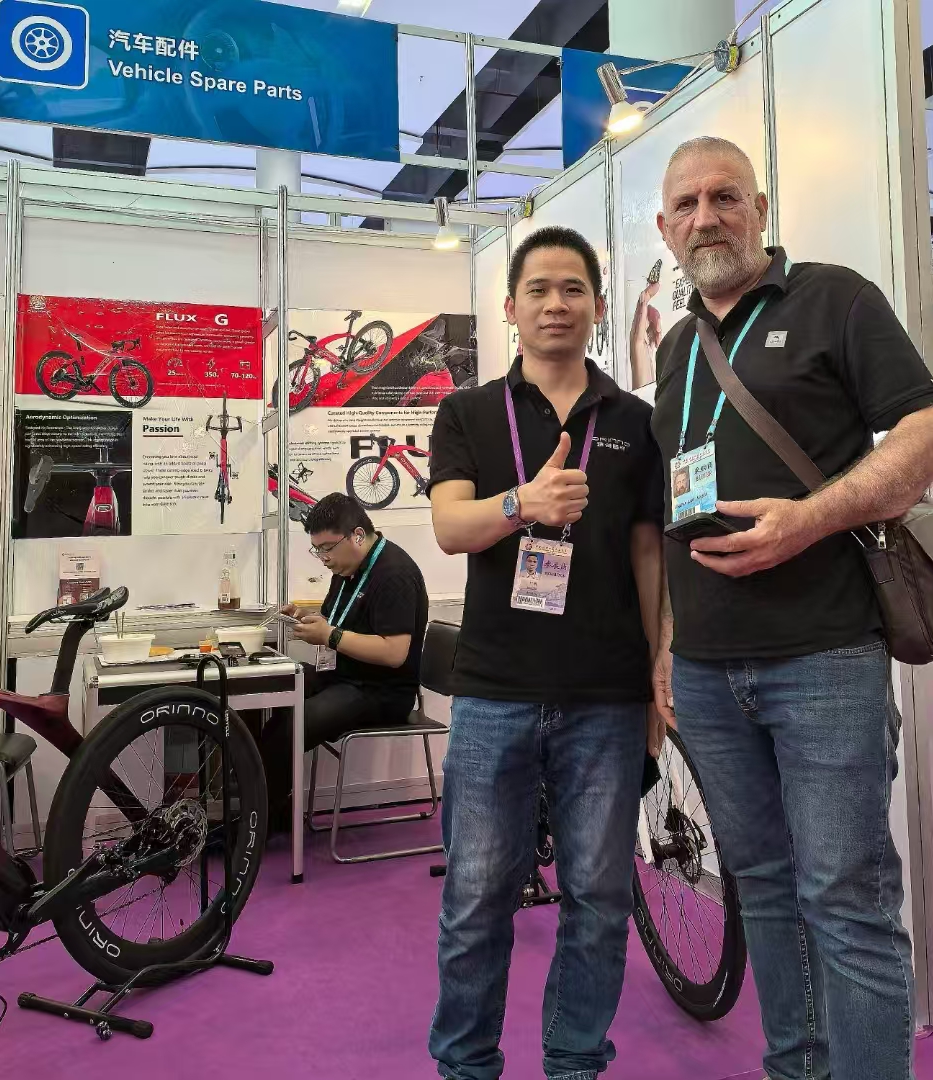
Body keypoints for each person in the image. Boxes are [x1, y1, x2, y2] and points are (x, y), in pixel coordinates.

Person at [647, 137, 933, 1080]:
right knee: (762, 889)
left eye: (725, 197)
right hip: (707, 670)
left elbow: (932, 434)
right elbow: (674, 508)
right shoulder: (675, 348)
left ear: (760, 208)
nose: (707, 217)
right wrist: (666, 645)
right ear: (665, 229)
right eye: (686, 205)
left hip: (824, 657)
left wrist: (809, 519)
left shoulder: (836, 299)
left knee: (846, 899)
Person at [427, 225, 666, 1080]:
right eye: (538, 289)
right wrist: (522, 504)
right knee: (476, 897)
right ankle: (466, 1066)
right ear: (511, 307)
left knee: (599, 900)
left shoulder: (636, 422)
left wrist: (659, 673)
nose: (555, 304)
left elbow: (648, 553)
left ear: (598, 306)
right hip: (495, 690)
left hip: (607, 695)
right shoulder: (467, 413)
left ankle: (574, 1063)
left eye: (572, 289)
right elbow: (450, 527)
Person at [258, 492, 428, 831]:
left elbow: (394, 653)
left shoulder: (395, 574)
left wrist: (330, 636)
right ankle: (267, 807)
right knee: (269, 690)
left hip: (382, 691)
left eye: (327, 548)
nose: (323, 558)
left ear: (358, 535)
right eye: (317, 549)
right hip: (343, 674)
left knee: (292, 727)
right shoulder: (347, 566)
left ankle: (257, 821)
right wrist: (306, 619)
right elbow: (342, 621)